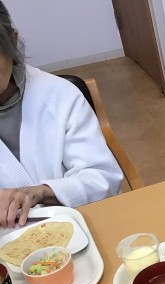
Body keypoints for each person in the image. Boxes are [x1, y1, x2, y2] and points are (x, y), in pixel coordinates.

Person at [0, 1, 123, 228]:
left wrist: (39, 192)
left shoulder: (59, 95)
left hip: (79, 227)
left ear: (12, 41)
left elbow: (102, 179)